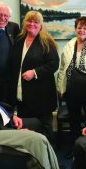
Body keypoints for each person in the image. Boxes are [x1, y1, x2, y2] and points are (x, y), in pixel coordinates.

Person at [57, 16, 86, 155]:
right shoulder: (69, 45)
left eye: (85, 28)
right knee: (74, 120)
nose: (81, 30)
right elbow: (63, 68)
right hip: (72, 88)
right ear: (75, 28)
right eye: (79, 27)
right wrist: (60, 87)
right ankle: (74, 148)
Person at [12, 10, 59, 145]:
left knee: (45, 129)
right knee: (26, 129)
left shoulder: (46, 42)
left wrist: (35, 72)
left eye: (36, 22)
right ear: (24, 22)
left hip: (42, 96)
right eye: (29, 20)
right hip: (22, 94)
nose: (32, 24)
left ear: (41, 25)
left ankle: (49, 158)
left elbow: (54, 64)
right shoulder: (19, 40)